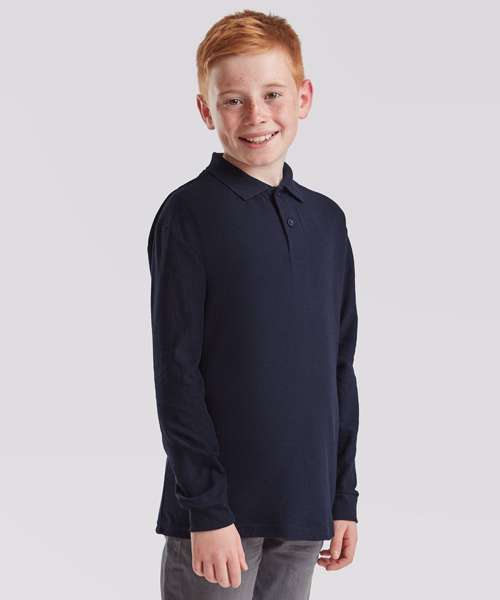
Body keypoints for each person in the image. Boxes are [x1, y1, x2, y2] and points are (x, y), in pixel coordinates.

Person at [147, 9, 360, 599]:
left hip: (305, 510)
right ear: (206, 111)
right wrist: (207, 509)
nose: (256, 115)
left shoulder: (326, 221)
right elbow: (177, 372)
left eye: (272, 94)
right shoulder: (189, 215)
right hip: (219, 520)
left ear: (303, 97)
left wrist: (342, 496)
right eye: (233, 100)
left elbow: (338, 367)